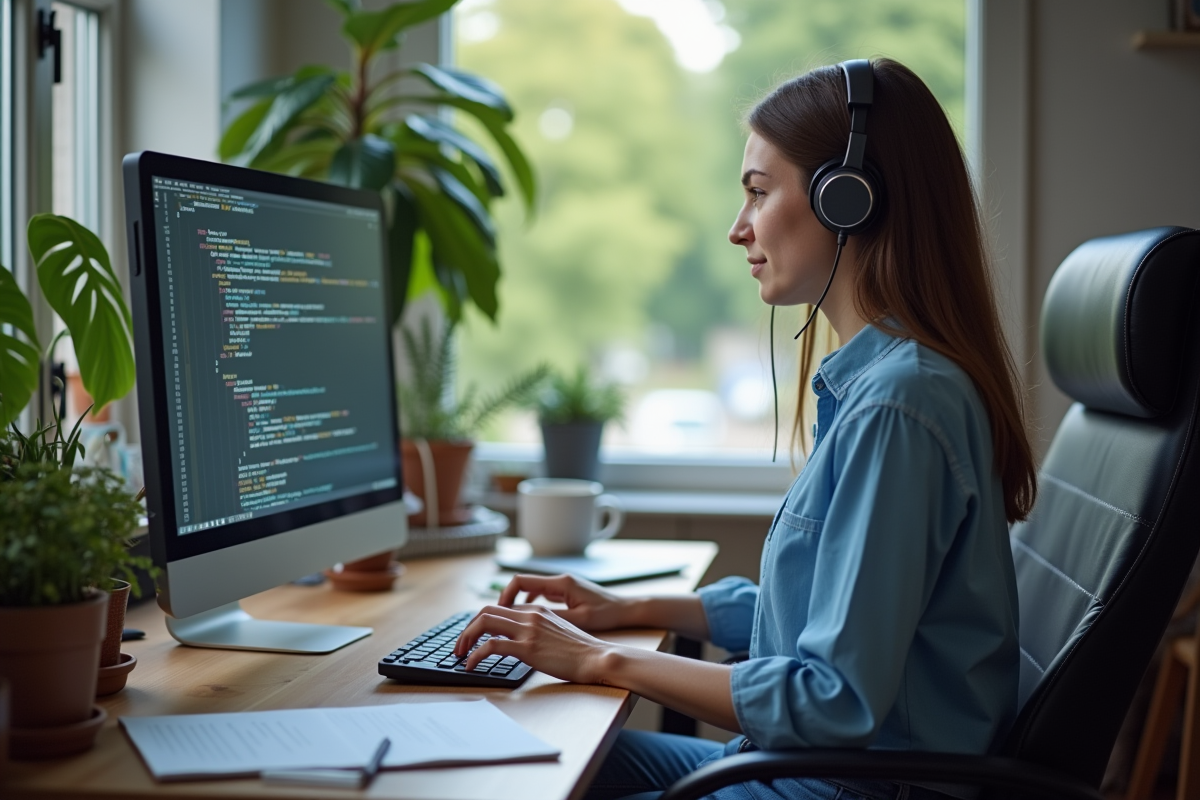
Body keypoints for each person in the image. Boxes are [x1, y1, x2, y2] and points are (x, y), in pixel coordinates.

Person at [452, 58, 1037, 800]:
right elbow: (826, 617)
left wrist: (600, 658)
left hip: (842, 788)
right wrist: (625, 609)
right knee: (519, 757)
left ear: (847, 199)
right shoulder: (885, 387)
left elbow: (833, 701)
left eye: (759, 192)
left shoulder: (899, 407)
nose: (738, 229)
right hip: (813, 772)